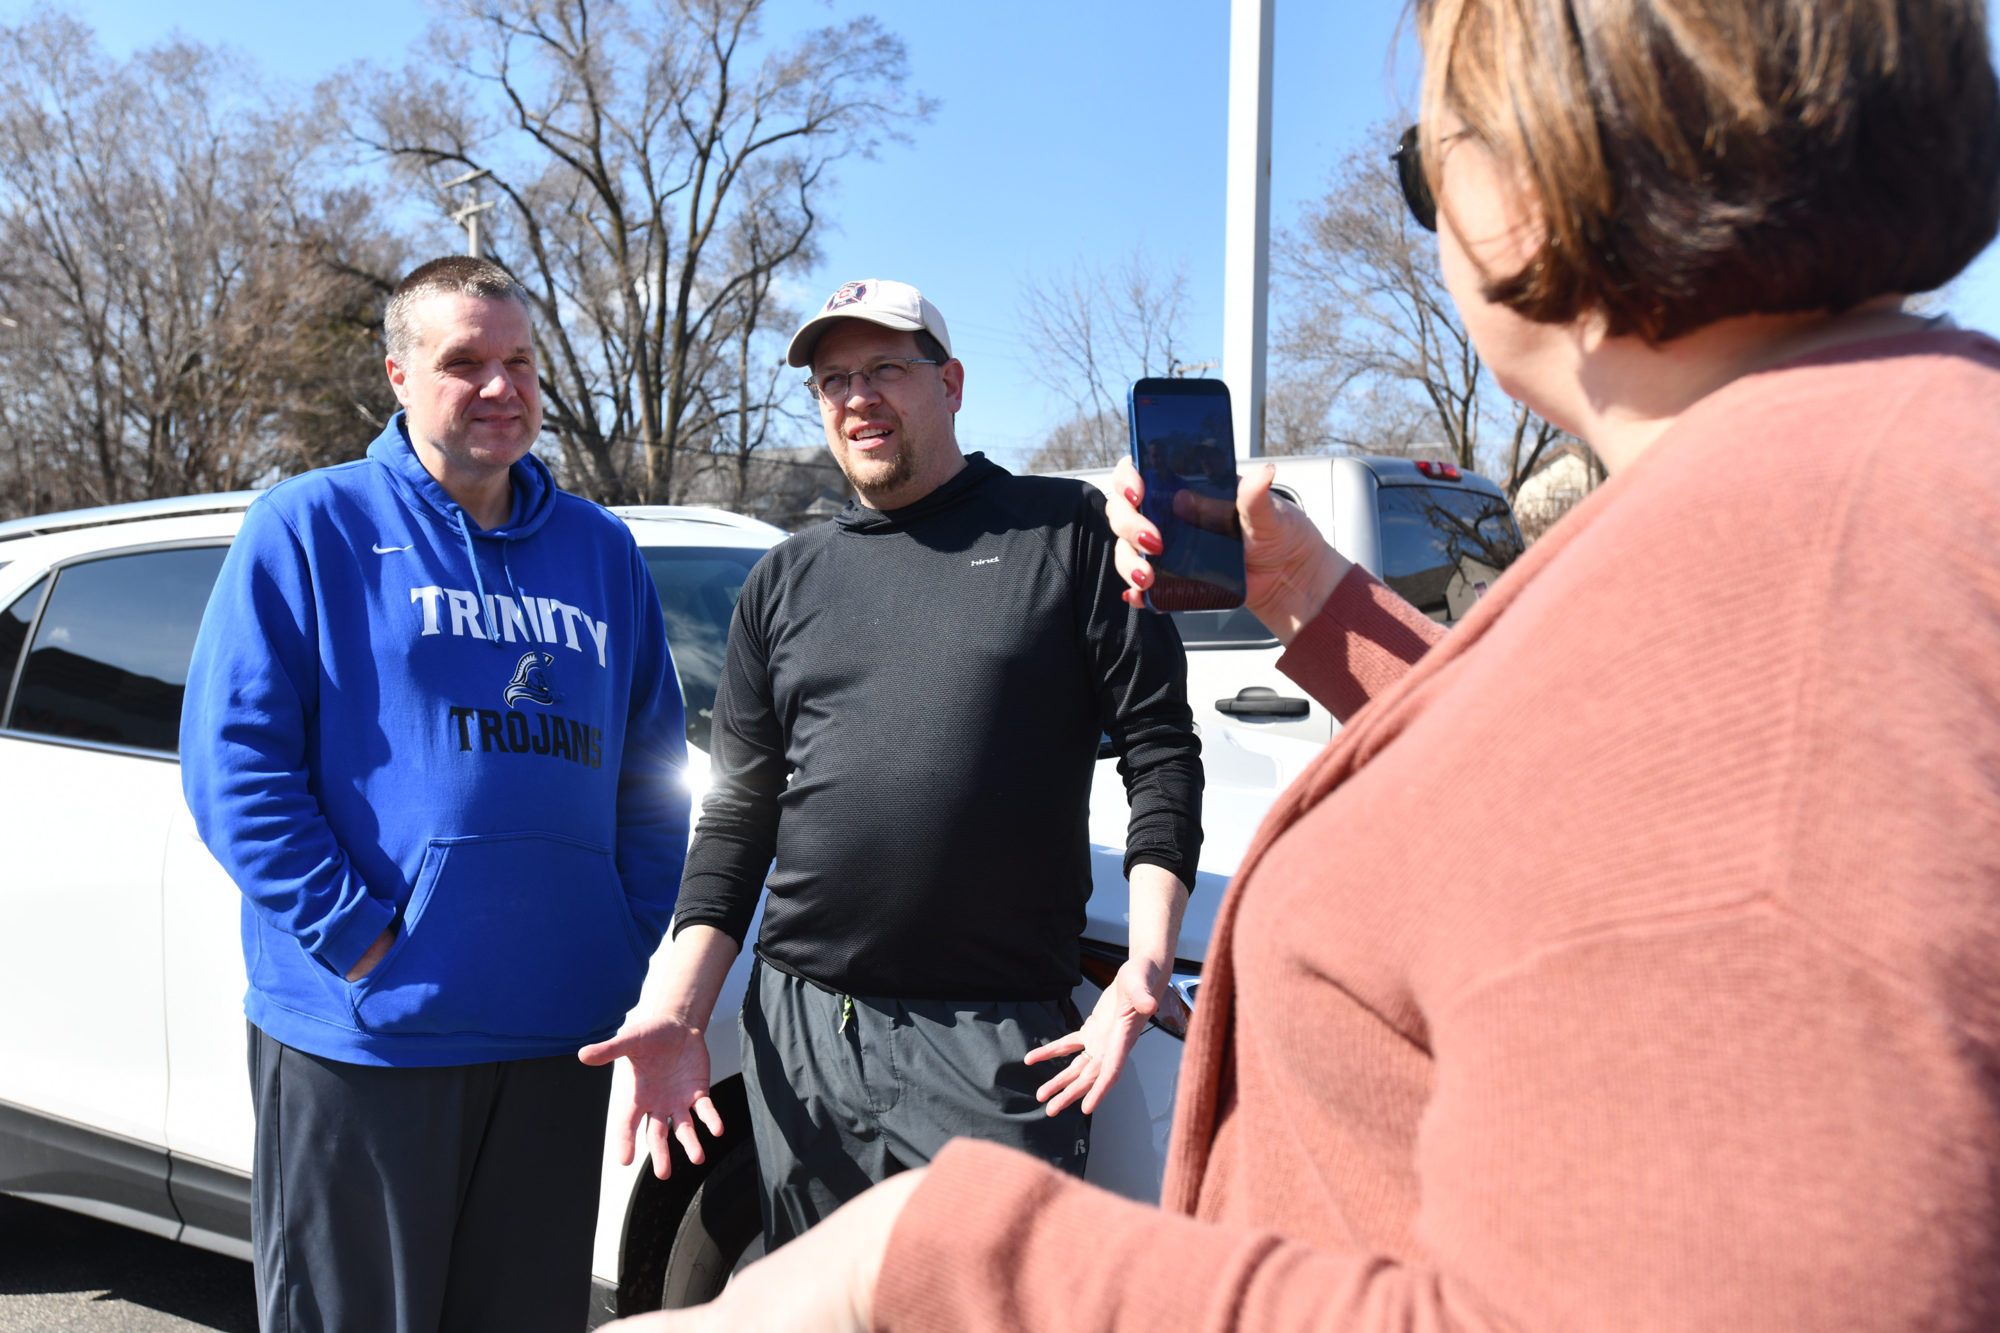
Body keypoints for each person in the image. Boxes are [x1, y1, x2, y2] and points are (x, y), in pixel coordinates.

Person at [607, 0, 2000, 1329]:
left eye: (1421, 163)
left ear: (1544, 169)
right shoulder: (1831, 486)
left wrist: (934, 1257)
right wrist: (1327, 606)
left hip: (985, 1052)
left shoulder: (1822, 558)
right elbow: (1575, 791)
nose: (1428, 210)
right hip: (804, 1028)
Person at [580, 278, 1203, 1250]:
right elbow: (738, 821)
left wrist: (1147, 962)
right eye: (832, 379)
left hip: (995, 1039)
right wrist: (680, 1007)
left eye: (884, 369)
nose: (856, 396)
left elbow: (1161, 756)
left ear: (949, 383)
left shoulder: (1068, 534)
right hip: (804, 1031)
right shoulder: (783, 579)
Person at [180, 256, 689, 1332]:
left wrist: (623, 934)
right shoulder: (309, 525)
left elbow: (653, 771)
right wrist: (363, 936)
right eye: (465, 362)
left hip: (557, 1030)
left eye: (520, 362)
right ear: (398, 375)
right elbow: (236, 764)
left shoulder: (600, 551)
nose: (500, 387)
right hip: (370, 1031)